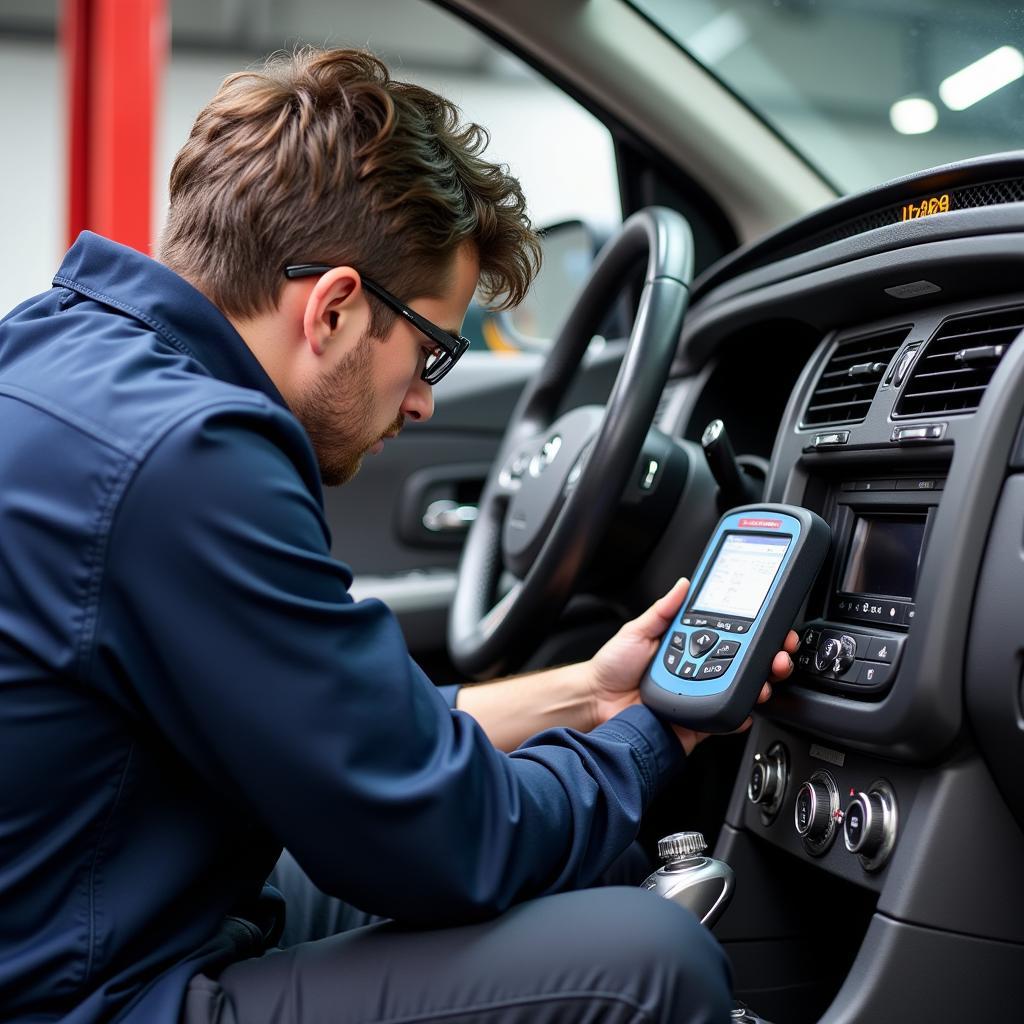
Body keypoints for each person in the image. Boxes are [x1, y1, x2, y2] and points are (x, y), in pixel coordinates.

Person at [0, 48, 796, 1024]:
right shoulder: (193, 457)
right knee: (648, 962)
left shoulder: (62, 347)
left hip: (100, 911)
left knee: (584, 861)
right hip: (94, 993)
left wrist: (593, 693)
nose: (423, 400)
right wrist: (663, 732)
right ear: (334, 307)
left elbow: (343, 726)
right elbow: (450, 841)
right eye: (431, 350)